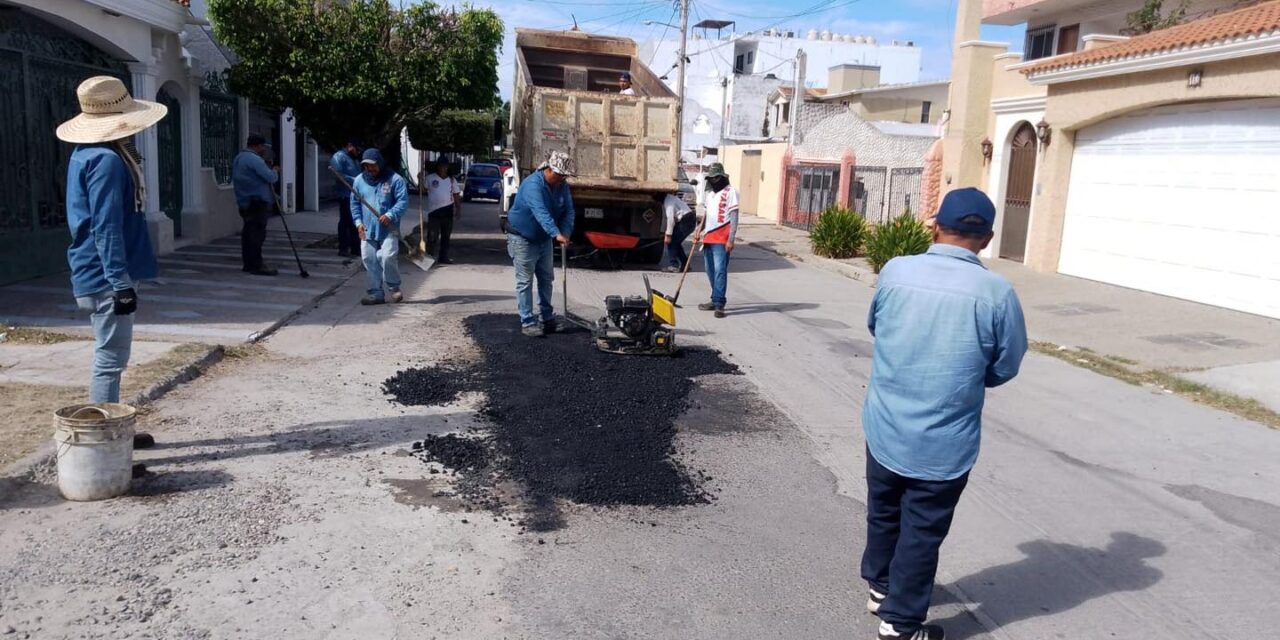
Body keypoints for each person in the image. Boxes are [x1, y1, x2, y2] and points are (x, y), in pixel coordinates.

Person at [860, 188, 1028, 640]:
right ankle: (899, 623)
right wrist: (971, 379)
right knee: (922, 528)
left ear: (934, 226)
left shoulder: (896, 271)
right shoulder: (997, 292)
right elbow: (1007, 364)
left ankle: (881, 588)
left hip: (886, 424)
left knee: (884, 508)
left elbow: (876, 325)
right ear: (987, 239)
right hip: (944, 440)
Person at [56, 76, 162, 416]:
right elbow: (105, 225)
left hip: (98, 269)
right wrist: (120, 283)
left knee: (110, 356)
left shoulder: (87, 154)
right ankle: (103, 435)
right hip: (105, 276)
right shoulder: (107, 160)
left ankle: (112, 431)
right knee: (110, 358)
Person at [505, 151, 576, 337]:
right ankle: (527, 321)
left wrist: (566, 233)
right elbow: (541, 212)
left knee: (546, 278)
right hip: (522, 237)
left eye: (565, 176)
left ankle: (546, 317)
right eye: (561, 175)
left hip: (543, 238)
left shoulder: (562, 186)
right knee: (525, 280)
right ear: (551, 170)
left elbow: (568, 211)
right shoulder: (532, 186)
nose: (563, 179)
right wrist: (556, 234)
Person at [350, 149, 409, 305]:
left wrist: (390, 214)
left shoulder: (395, 180)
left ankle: (394, 287)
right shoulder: (359, 181)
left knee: (387, 256)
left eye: (373, 165)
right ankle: (375, 294)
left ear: (380, 163)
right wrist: (358, 223)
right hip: (367, 229)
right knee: (369, 259)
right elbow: (355, 203)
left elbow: (403, 202)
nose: (371, 169)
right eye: (367, 166)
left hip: (388, 229)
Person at [232, 134, 280, 276]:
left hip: (244, 201)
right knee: (256, 235)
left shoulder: (239, 158)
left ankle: (249, 263)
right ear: (257, 146)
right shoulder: (255, 160)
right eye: (262, 146)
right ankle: (256, 265)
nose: (263, 149)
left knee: (248, 234)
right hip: (256, 202)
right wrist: (275, 170)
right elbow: (270, 177)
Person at [695, 163, 737, 318]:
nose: (713, 180)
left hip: (722, 237)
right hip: (709, 237)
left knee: (720, 270)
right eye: (711, 178)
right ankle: (714, 298)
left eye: (716, 178)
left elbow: (734, 217)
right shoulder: (710, 194)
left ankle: (720, 303)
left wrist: (731, 239)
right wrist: (699, 229)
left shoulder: (730, 192)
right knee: (710, 269)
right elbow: (707, 214)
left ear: (722, 177)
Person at [424, 160, 462, 264]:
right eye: (441, 166)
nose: (443, 169)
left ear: (447, 168)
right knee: (432, 236)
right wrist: (419, 179)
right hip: (434, 211)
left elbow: (456, 194)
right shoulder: (430, 178)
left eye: (445, 167)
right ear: (437, 167)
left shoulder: (451, 180)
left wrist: (458, 209)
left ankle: (443, 257)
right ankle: (429, 257)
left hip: (447, 210)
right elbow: (422, 190)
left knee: (446, 236)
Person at [330, 139, 363, 257]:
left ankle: (355, 248)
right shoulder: (338, 157)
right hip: (345, 195)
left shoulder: (354, 159)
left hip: (356, 195)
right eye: (357, 149)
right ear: (349, 145)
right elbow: (338, 175)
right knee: (347, 222)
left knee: (355, 221)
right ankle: (344, 248)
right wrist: (355, 180)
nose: (358, 152)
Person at [660, 191, 695, 273]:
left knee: (672, 242)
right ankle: (685, 265)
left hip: (687, 220)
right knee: (676, 242)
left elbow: (670, 219)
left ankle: (674, 265)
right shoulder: (670, 198)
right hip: (687, 219)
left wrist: (668, 235)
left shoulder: (668, 201)